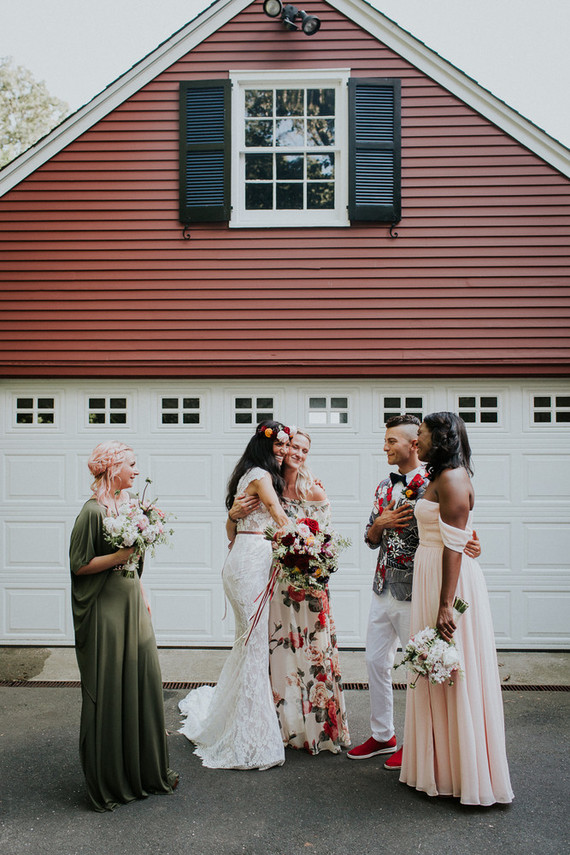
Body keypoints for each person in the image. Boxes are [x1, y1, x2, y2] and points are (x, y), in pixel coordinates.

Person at [348, 414, 480, 769]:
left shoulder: (435, 480)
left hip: (417, 589)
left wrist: (472, 544)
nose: (385, 447)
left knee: (418, 668)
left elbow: (457, 535)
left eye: (392, 441)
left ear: (413, 443)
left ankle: (416, 744)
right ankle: (382, 735)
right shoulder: (383, 487)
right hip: (382, 588)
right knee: (375, 661)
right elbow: (370, 539)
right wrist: (379, 524)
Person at [400, 412, 514, 805]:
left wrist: (446, 604)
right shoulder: (440, 476)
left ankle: (462, 773)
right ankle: (439, 768)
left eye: (421, 434)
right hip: (432, 571)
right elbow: (462, 534)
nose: (416, 441)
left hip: (448, 580)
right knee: (435, 668)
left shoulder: (452, 478)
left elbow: (454, 544)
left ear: (441, 438)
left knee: (451, 667)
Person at [69, 441, 178, 812]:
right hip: (106, 607)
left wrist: (141, 590)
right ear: (113, 467)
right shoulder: (91, 512)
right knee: (112, 685)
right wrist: (119, 556)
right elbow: (79, 565)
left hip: (132, 599)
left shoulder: (131, 506)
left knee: (144, 679)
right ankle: (112, 778)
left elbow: (133, 559)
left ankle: (145, 772)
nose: (136, 470)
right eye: (131, 464)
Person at [178, 420, 290, 770]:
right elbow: (277, 514)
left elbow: (233, 529)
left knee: (249, 644)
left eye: (287, 445)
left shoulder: (249, 474)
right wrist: (309, 543)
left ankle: (240, 720)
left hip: (247, 559)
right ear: (264, 445)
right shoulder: (261, 475)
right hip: (248, 565)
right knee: (253, 645)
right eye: (279, 444)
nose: (284, 450)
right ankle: (249, 735)